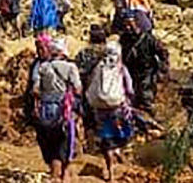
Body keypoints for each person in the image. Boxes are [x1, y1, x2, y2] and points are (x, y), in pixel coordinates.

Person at [31, 39, 82, 183]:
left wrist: (47, 93)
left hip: (46, 110)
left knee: (51, 142)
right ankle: (63, 174)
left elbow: (35, 90)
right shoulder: (70, 67)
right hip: (63, 110)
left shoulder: (43, 67)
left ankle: (55, 174)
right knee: (65, 141)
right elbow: (78, 89)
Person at [86, 43, 134, 182]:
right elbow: (130, 89)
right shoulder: (121, 68)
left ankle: (110, 172)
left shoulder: (99, 67)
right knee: (122, 134)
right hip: (118, 108)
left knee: (106, 139)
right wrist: (128, 98)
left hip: (100, 111)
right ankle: (117, 150)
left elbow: (91, 86)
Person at [120, 13, 168, 114]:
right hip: (131, 69)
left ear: (136, 24)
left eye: (130, 24)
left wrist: (163, 67)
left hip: (147, 69)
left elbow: (162, 51)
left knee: (146, 92)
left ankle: (149, 110)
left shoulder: (148, 38)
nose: (128, 27)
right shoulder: (124, 39)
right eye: (126, 25)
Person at [74, 25, 108, 141]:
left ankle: (90, 141)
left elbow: (77, 70)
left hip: (88, 90)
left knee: (88, 117)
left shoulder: (84, 53)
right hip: (107, 90)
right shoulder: (109, 54)